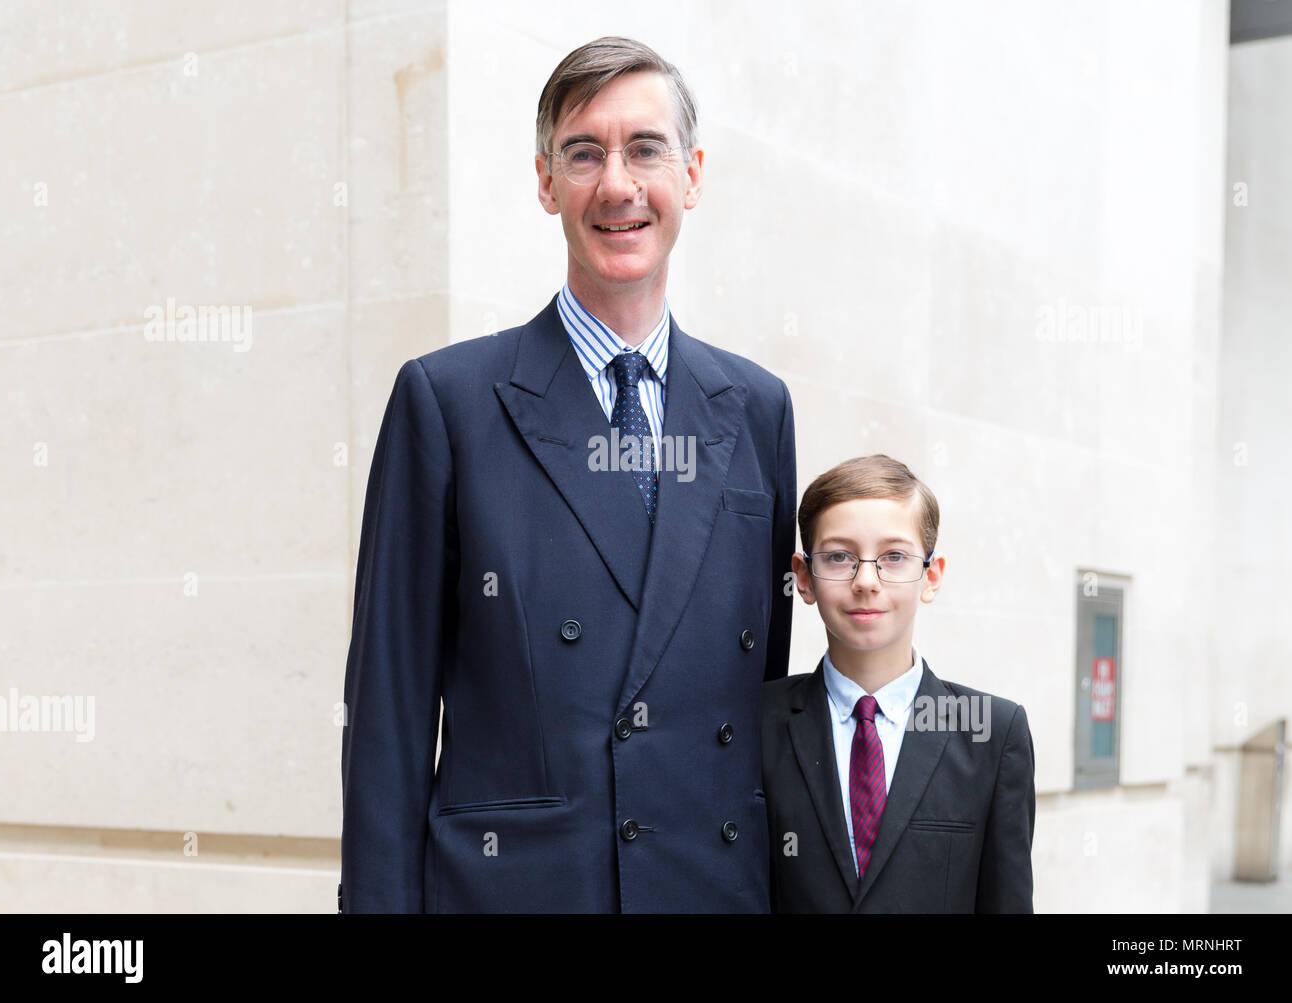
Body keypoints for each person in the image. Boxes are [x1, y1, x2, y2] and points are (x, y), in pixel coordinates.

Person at [338, 36, 796, 913]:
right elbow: (387, 721)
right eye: (584, 153)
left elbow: (755, 689)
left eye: (646, 149)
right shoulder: (448, 401)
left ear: (691, 176)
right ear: (546, 182)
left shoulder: (758, 409)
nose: (618, 185)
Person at [761, 455, 1034, 912]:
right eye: (839, 556)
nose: (866, 581)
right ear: (804, 578)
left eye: (893, 557)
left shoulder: (994, 733)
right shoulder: (757, 723)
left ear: (930, 575)